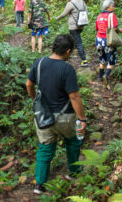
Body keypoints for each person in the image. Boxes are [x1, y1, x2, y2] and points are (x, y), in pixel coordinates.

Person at [26, 34, 87, 195]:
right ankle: (73, 172)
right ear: (67, 51)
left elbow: (29, 84)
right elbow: (74, 96)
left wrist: (35, 100)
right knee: (72, 141)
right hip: (64, 117)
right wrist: (82, 119)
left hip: (42, 116)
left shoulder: (39, 63)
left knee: (45, 148)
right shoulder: (66, 69)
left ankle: (39, 184)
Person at [56, 0, 89, 67]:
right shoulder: (82, 1)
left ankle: (84, 60)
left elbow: (64, 13)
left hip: (73, 26)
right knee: (71, 40)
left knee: (78, 43)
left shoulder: (71, 3)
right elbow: (86, 11)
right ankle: (68, 55)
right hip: (81, 24)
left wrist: (56, 18)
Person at [95, 0, 122, 85]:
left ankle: (100, 77)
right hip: (108, 40)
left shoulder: (99, 16)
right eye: (112, 6)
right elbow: (114, 28)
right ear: (108, 7)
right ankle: (105, 76)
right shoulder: (112, 15)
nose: (114, 7)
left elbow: (97, 28)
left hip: (98, 40)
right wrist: (120, 30)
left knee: (102, 59)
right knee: (111, 61)